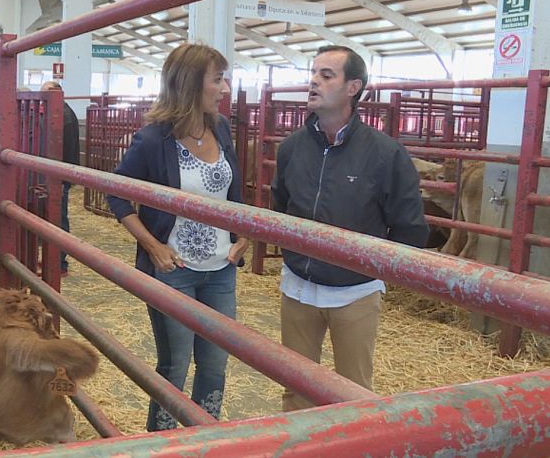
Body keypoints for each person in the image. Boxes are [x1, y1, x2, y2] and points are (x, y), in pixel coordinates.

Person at [271, 45, 429, 411]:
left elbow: (410, 228)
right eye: (313, 73)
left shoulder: (385, 154)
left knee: (353, 394)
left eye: (327, 75)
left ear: (353, 87)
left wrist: (374, 268)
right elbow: (281, 207)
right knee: (295, 389)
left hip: (354, 293)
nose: (314, 81)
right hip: (297, 287)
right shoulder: (292, 148)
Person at [107, 43, 248, 431]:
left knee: (216, 361)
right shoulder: (155, 139)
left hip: (221, 267)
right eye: (217, 79)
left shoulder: (220, 128)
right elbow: (116, 193)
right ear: (190, 83)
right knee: (176, 363)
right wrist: (152, 245)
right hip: (175, 269)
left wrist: (244, 236)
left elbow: (234, 192)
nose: (225, 88)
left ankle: (204, 438)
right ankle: (164, 441)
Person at [41, 80, 80, 277]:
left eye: (45, 92)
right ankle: (55, 259)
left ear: (57, 92)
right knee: (55, 216)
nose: (42, 97)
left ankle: (60, 263)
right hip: (58, 173)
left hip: (58, 174)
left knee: (59, 218)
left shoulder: (62, 115)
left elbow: (61, 148)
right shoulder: (62, 112)